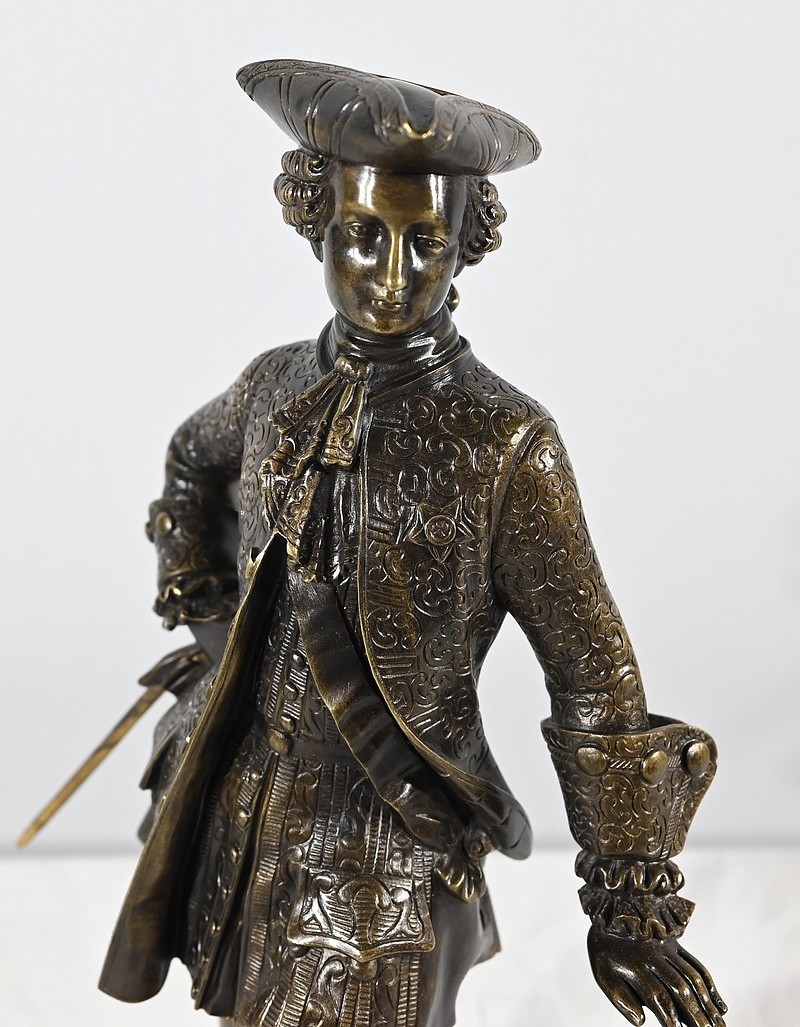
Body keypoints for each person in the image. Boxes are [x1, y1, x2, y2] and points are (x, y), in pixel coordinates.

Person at [99, 61, 726, 1027]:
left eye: (425, 241)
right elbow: (193, 462)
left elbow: (593, 671)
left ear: (464, 249)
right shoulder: (271, 383)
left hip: (387, 837)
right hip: (241, 796)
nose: (392, 274)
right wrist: (210, 619)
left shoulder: (507, 442)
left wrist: (629, 910)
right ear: (316, 224)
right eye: (363, 234)